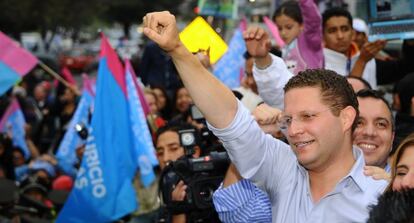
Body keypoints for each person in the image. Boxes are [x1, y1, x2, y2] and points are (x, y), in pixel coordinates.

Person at [142, 11, 388, 222]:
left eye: (308, 116)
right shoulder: (283, 167)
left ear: (345, 118)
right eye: (289, 119)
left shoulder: (383, 196)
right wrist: (178, 49)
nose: (293, 131)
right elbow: (231, 119)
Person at [322, 7, 386, 89]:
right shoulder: (319, 62)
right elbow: (343, 99)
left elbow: (372, 93)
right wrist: (361, 61)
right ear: (323, 36)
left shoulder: (368, 58)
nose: (340, 36)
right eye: (332, 31)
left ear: (352, 33)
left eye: (345, 29)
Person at [272, 0, 323, 75]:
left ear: (302, 25)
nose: (283, 33)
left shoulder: (308, 41)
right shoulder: (285, 49)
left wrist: (305, 2)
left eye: (289, 27)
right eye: (280, 28)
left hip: (313, 85)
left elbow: (313, 22)